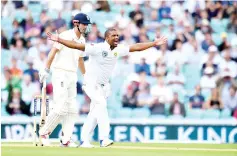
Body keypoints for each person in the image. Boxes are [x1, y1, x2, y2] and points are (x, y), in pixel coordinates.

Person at [47, 28, 167, 147]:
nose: (116, 37)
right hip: (90, 84)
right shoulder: (98, 48)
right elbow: (76, 46)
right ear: (106, 38)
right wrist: (59, 39)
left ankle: (84, 140)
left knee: (94, 113)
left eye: (117, 35)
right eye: (113, 35)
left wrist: (154, 43)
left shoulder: (118, 49)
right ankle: (104, 138)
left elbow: (136, 47)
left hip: (103, 87)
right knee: (101, 104)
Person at [38, 13, 90, 147]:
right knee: (60, 107)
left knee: (72, 109)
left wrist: (85, 76)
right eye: (84, 24)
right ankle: (44, 132)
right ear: (76, 23)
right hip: (60, 72)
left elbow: (79, 59)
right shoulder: (65, 36)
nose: (85, 27)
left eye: (86, 24)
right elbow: (53, 52)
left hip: (72, 74)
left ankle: (66, 139)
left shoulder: (82, 40)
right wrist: (46, 69)